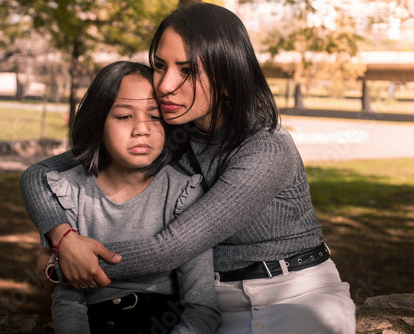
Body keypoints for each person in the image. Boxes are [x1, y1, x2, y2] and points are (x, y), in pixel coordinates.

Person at [20, 3, 356, 334]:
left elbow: (171, 248)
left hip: (296, 295)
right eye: (159, 66)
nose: (165, 85)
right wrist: (62, 236)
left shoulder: (266, 148)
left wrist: (59, 266)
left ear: (226, 79)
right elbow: (37, 175)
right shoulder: (171, 131)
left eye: (187, 70)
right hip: (217, 304)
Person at [24, 61, 220, 334]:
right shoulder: (70, 192)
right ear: (97, 125)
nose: (142, 129)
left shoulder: (182, 194)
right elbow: (68, 299)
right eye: (125, 116)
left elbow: (201, 308)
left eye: (154, 116)